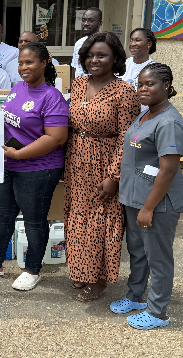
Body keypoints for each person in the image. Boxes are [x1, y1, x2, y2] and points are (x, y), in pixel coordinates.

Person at [0, 42, 68, 291]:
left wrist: (20, 154)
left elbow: (56, 137)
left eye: (29, 62)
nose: (23, 67)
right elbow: (13, 119)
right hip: (9, 163)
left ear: (44, 63)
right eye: (20, 63)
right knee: (1, 216)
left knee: (33, 220)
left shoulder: (51, 96)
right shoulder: (18, 87)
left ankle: (32, 269)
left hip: (38, 169)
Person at [111, 63, 183, 330]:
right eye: (140, 84)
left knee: (158, 257)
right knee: (138, 252)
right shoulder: (146, 114)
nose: (143, 89)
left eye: (150, 84)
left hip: (157, 203)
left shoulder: (169, 122)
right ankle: (135, 296)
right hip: (136, 197)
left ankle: (157, 312)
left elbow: (168, 170)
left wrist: (148, 208)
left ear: (166, 85)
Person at [64, 31, 140, 302]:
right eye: (90, 55)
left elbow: (127, 137)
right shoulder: (79, 84)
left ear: (115, 58)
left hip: (104, 164)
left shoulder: (125, 92)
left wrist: (114, 176)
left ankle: (98, 281)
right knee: (77, 218)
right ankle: (81, 270)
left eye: (102, 55)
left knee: (101, 222)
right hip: (76, 162)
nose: (94, 60)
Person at [122, 28, 157, 107]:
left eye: (137, 40)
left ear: (149, 44)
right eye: (131, 40)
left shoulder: (155, 70)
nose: (133, 44)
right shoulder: (122, 64)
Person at [71, 8, 102, 79]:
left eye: (91, 20)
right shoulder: (79, 43)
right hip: (79, 85)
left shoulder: (105, 44)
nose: (86, 24)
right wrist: (72, 85)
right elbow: (75, 67)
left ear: (100, 23)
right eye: (84, 20)